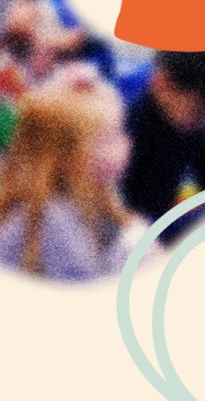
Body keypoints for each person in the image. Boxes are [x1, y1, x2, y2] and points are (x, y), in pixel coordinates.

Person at [0, 75, 139, 281]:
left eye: (120, 133)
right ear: (65, 156)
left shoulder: (98, 193)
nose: (125, 145)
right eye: (106, 140)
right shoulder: (50, 217)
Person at [120, 47, 205, 238]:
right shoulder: (130, 126)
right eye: (198, 111)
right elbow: (118, 201)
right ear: (161, 84)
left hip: (160, 215)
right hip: (131, 225)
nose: (204, 120)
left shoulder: (192, 124)